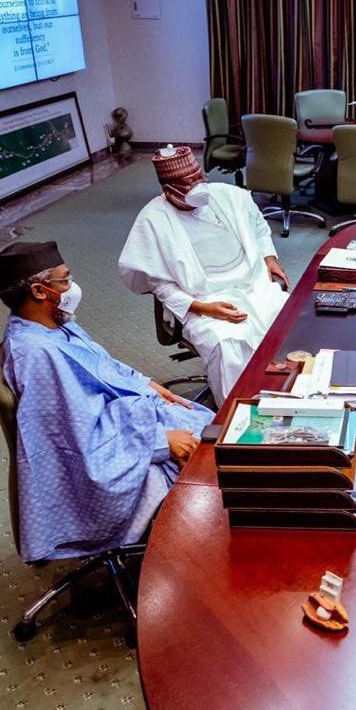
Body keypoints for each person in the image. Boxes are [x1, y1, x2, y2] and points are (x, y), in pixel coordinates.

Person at [0, 241, 213, 563]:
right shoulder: (35, 355)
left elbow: (104, 364)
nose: (72, 288)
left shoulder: (56, 324)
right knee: (207, 466)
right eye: (65, 280)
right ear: (41, 291)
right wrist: (159, 442)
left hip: (125, 419)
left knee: (212, 428)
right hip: (113, 450)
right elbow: (72, 441)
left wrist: (146, 382)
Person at [118, 146, 290, 404]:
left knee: (291, 319)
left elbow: (258, 226)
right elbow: (160, 286)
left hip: (253, 284)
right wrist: (204, 308)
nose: (199, 186)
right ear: (168, 189)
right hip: (204, 299)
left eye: (200, 177)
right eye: (189, 183)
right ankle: (237, 413)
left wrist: (269, 257)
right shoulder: (154, 219)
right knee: (227, 343)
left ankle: (292, 396)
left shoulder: (230, 195)